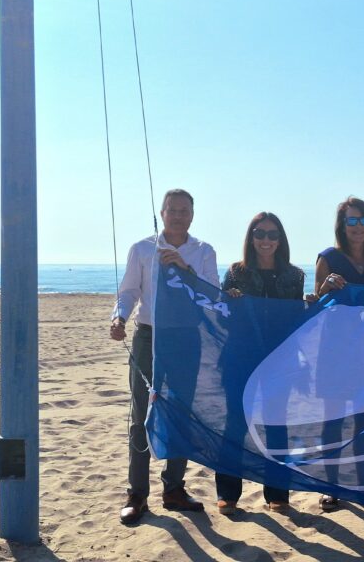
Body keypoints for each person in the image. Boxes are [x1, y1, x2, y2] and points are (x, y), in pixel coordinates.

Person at [110, 188, 218, 525]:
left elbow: (211, 296)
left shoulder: (203, 251)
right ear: (162, 212)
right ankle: (136, 494)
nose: (178, 215)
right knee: (142, 412)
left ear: (192, 215)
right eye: (172, 209)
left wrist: (185, 268)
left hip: (186, 337)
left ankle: (174, 489)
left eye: (184, 210)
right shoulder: (143, 248)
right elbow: (129, 291)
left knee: (182, 413)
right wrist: (119, 317)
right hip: (148, 336)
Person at [215, 211, 306, 515]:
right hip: (240, 358)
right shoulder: (236, 272)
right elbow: (221, 317)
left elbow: (296, 322)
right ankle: (228, 493)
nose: (265, 240)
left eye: (272, 234)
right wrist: (228, 301)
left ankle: (278, 494)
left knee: (276, 426)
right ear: (251, 237)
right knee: (236, 425)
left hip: (279, 362)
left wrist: (315, 303)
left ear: (281, 240)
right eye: (259, 233)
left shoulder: (295, 276)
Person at [314, 196, 364, 512]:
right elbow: (316, 302)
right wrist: (327, 285)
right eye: (351, 221)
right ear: (342, 226)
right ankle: (332, 488)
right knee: (333, 419)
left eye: (362, 220)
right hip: (333, 349)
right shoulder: (329, 257)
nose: (357, 227)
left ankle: (363, 488)